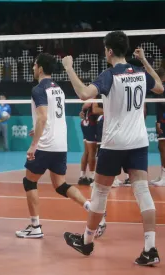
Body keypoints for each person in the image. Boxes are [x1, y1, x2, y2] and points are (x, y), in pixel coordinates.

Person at [61, 30, 163, 265]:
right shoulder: (138, 73)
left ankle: (86, 242)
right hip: (138, 142)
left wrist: (68, 67)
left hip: (114, 144)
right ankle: (150, 249)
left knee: (100, 193)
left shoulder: (110, 75)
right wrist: (145, 61)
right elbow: (158, 86)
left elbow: (84, 94)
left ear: (108, 50)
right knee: (142, 193)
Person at [13, 53, 104, 238]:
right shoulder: (58, 88)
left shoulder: (38, 89)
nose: (32, 68)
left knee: (29, 182)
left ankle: (35, 226)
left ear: (39, 67)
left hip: (45, 146)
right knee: (60, 185)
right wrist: (38, 130)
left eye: (34, 65)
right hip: (60, 145)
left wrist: (34, 144)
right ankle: (92, 209)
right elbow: (51, 118)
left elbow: (44, 117)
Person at [151, 68, 165, 186]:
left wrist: (160, 121)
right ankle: (162, 175)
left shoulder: (162, 88)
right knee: (161, 148)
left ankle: (164, 178)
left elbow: (162, 105)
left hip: (163, 121)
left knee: (163, 148)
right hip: (161, 120)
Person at [78, 102, 98, 185]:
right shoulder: (96, 96)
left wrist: (83, 111)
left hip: (85, 123)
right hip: (91, 125)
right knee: (92, 152)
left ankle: (82, 176)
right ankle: (92, 177)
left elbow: (85, 106)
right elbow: (93, 108)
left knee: (86, 152)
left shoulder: (92, 97)